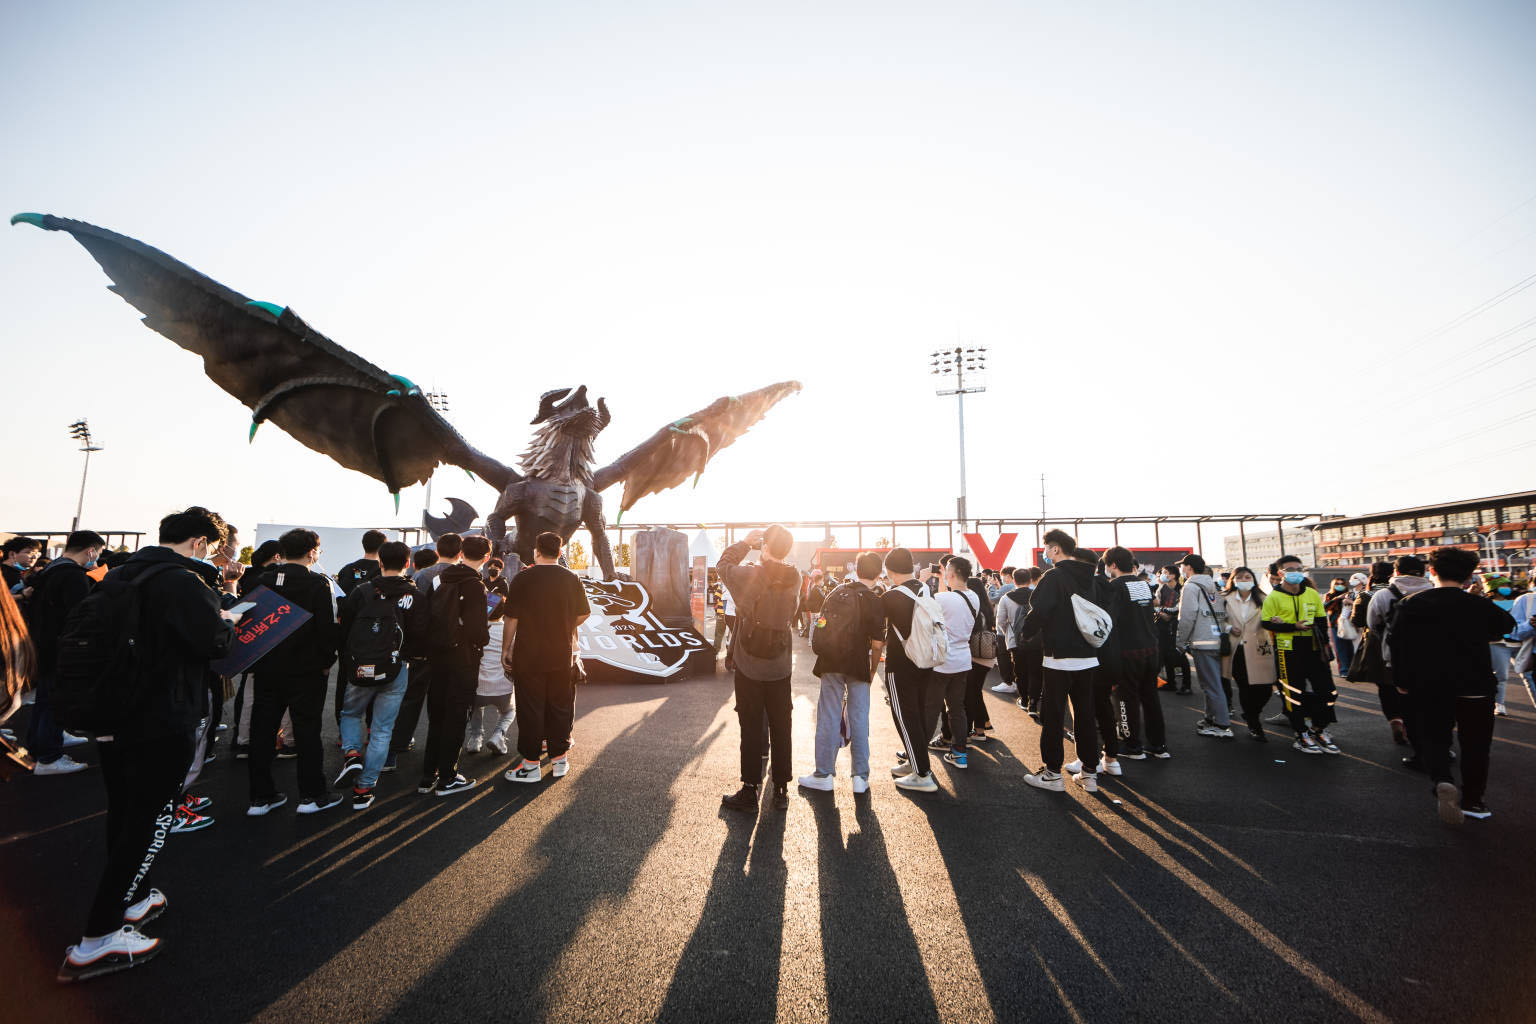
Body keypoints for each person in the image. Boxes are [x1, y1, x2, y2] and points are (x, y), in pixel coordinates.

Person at [59, 507, 237, 983]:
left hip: (115, 712)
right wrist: (227, 619)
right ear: (200, 543)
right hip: (161, 715)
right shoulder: (181, 582)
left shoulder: (121, 575)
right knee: (151, 818)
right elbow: (215, 641)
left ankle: (135, 897)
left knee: (125, 811)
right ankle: (97, 938)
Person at [1388, 548, 1514, 824]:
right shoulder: (1478, 604)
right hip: (1476, 684)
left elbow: (1397, 645)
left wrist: (1401, 682)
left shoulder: (1412, 604)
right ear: (1470, 575)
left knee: (1434, 737)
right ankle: (1474, 801)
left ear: (1432, 571)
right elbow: (1506, 624)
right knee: (1477, 744)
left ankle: (1443, 780)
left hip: (1430, 684)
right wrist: (1480, 598)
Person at [246, 528, 341, 816]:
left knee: (262, 732)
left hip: (267, 667)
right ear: (312, 551)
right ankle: (312, 795)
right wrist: (327, 660)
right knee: (307, 731)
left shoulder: (262, 580)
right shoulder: (317, 584)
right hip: (307, 669)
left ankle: (260, 798)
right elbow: (326, 629)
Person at [334, 541, 425, 810]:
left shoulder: (362, 591)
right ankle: (365, 787)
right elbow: (420, 634)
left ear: (381, 564)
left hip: (362, 665)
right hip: (396, 668)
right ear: (407, 563)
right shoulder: (414, 595)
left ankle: (351, 753)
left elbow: (345, 626)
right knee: (383, 729)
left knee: (350, 713)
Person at [718, 526, 800, 812]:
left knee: (750, 726)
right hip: (780, 665)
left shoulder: (749, 574)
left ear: (764, 547)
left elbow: (723, 565)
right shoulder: (795, 577)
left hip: (749, 664)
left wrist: (744, 543)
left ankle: (750, 790)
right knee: (781, 725)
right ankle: (780, 789)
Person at [1022, 529, 1107, 793]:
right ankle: (1089, 773)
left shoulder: (1054, 577)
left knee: (1054, 716)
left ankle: (1051, 774)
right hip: (1088, 657)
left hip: (1059, 658)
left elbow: (1039, 611)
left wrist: (1026, 632)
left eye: (1047, 548)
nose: (1045, 553)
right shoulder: (1090, 578)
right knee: (1084, 714)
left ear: (1056, 549)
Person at [502, 532, 589, 784]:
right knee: (560, 706)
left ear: (536, 551)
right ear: (560, 552)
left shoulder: (523, 578)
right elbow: (584, 614)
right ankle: (560, 759)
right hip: (562, 653)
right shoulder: (571, 578)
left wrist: (506, 648)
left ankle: (530, 765)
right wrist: (563, 624)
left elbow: (511, 617)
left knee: (530, 708)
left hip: (529, 654)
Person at [799, 551, 884, 794]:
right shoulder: (874, 600)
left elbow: (822, 624)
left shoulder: (837, 592)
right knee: (859, 718)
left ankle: (823, 774)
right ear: (879, 574)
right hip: (859, 665)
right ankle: (860, 777)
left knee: (828, 715)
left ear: (856, 570)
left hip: (831, 662)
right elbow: (878, 644)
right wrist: (871, 670)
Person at [23, 530, 105, 776]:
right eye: (97, 554)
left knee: (45, 699)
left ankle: (39, 747)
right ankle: (48, 756)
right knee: (54, 701)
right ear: (90, 550)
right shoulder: (73, 577)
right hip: (63, 647)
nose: (97, 559)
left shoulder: (49, 572)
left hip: (43, 643)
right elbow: (80, 616)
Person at [418, 535, 491, 796]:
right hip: (463, 659)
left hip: (437, 656)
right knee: (457, 715)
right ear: (486, 558)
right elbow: (477, 631)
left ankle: (429, 775)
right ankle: (448, 777)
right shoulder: (475, 585)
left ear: (461, 553)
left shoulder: (439, 579)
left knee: (437, 715)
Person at [1262, 554, 1338, 755]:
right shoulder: (1274, 597)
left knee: (1329, 692)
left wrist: (1326, 645)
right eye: (1290, 570)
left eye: (1299, 568)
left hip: (1314, 647)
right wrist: (1291, 626)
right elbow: (1266, 622)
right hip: (1287, 649)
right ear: (1281, 573)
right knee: (1293, 694)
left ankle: (1319, 729)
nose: (1296, 573)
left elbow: (1322, 620)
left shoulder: (1312, 594)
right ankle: (1301, 734)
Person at [882, 548, 942, 794]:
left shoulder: (891, 596)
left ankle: (922, 773)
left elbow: (875, 630)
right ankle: (915, 762)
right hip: (925, 659)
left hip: (900, 663)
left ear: (889, 570)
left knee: (905, 718)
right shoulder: (924, 589)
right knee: (916, 713)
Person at [1367, 556, 1434, 764]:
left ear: (1396, 572)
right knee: (1434, 703)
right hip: (1435, 658)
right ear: (1423, 572)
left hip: (1398, 658)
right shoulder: (1435, 591)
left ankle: (1414, 744)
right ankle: (1439, 745)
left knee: (1408, 703)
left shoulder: (1384, 595)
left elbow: (1372, 624)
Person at [1101, 546, 1166, 759]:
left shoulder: (1115, 587)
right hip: (1151, 649)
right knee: (1150, 698)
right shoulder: (1144, 585)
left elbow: (1110, 621)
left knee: (1125, 698)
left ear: (1112, 565)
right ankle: (1158, 746)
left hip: (1128, 652)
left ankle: (1132, 746)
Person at [931, 556, 981, 770]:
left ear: (951, 573)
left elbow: (933, 607)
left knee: (930, 708)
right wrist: (943, 580)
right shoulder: (974, 597)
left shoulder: (943, 599)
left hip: (941, 661)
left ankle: (914, 752)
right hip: (962, 660)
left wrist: (929, 579)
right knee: (956, 709)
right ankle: (959, 753)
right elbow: (949, 600)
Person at [1176, 554, 1232, 739]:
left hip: (1202, 640)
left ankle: (1222, 724)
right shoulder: (1212, 586)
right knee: (1213, 683)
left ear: (1189, 567)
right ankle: (1211, 718)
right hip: (1218, 640)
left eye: (1183, 567)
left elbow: (1187, 617)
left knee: (1211, 685)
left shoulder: (1191, 587)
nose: (1182, 571)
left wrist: (1180, 641)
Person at [1222, 567, 1277, 740]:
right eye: (1240, 577)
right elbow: (1216, 620)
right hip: (1236, 648)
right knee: (1245, 686)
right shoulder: (1224, 599)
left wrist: (1275, 620)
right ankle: (1254, 722)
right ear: (1234, 580)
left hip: (1259, 646)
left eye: (1248, 577)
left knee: (1265, 688)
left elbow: (1272, 618)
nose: (1244, 580)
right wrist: (1229, 628)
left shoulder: (1264, 598)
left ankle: (1252, 713)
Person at [466, 587, 515, 757]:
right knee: (509, 711)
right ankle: (498, 734)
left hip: (477, 687)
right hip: (503, 687)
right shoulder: (508, 631)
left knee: (475, 708)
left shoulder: (474, 629)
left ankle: (475, 738)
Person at [1154, 565, 1190, 693]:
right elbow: (1156, 603)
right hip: (1162, 625)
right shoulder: (1161, 589)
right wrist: (1161, 612)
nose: (1163, 575)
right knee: (1165, 653)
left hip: (1177, 625)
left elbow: (1182, 607)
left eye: (1166, 573)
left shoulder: (1182, 589)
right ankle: (1171, 682)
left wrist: (1169, 613)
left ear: (1174, 575)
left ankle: (1187, 685)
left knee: (1180, 654)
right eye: (1163, 573)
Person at [335, 529, 387, 596]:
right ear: (382, 548)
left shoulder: (347, 569)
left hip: (348, 606)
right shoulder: (383, 572)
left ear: (363, 544)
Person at [1323, 577, 1354, 674]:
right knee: (1340, 648)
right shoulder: (1329, 595)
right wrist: (1338, 598)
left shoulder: (1350, 595)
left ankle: (1353, 670)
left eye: (1342, 584)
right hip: (1335, 625)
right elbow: (1325, 607)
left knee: (1351, 647)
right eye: (1337, 584)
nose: (1340, 586)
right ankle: (1344, 670)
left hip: (1350, 624)